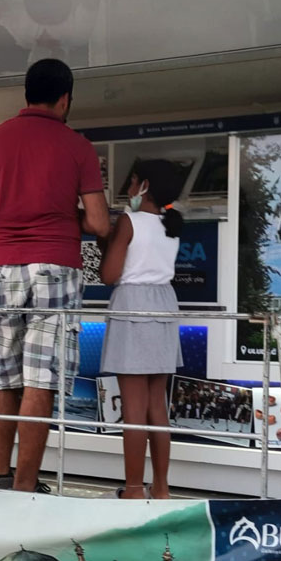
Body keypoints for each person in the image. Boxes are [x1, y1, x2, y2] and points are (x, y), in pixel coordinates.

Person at [0, 58, 110, 492]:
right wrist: (63, 217)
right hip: (56, 269)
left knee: (5, 374)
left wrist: (3, 218)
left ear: (26, 94)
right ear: (65, 99)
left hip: (3, 267)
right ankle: (26, 486)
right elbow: (99, 223)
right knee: (41, 377)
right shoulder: (77, 147)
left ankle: (0, 476)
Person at [98, 160, 185, 499]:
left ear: (144, 185)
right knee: (156, 406)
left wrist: (103, 238)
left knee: (133, 406)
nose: (130, 189)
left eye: (132, 181)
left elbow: (109, 275)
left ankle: (133, 489)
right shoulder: (171, 224)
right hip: (164, 304)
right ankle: (161, 487)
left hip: (132, 305)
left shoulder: (128, 221)